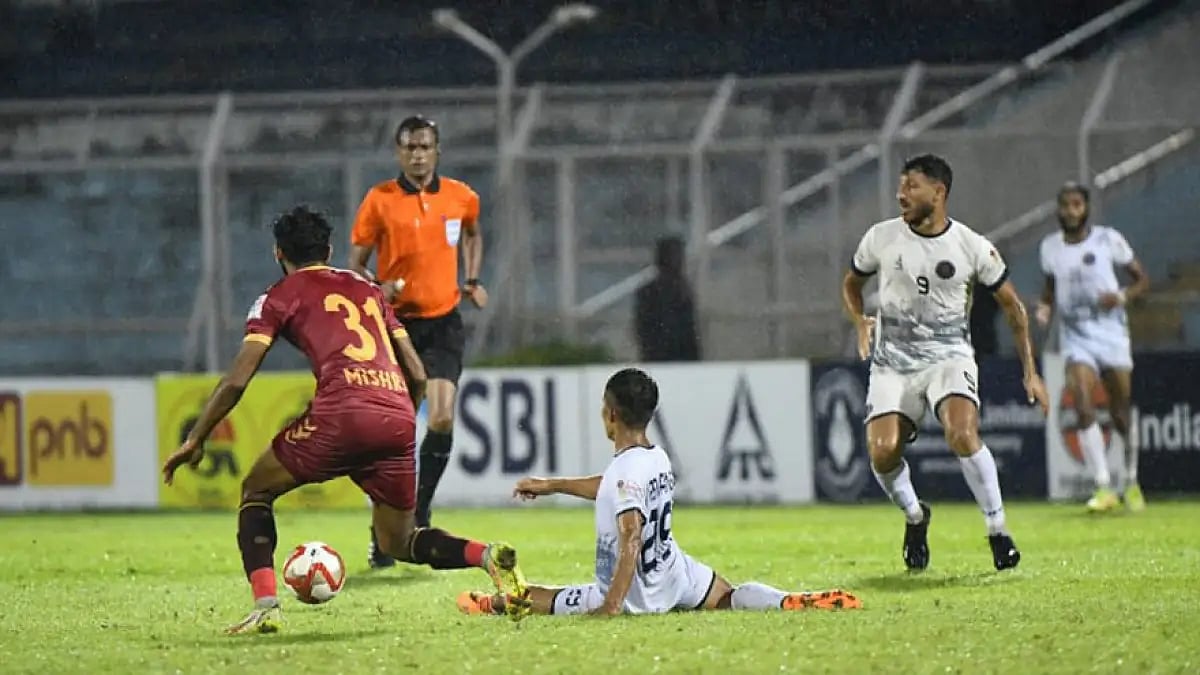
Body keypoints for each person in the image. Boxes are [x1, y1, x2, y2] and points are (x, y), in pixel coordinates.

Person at [161, 206, 524, 634]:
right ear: (330, 250)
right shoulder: (367, 289)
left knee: (256, 491)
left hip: (342, 413)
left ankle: (266, 607)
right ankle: (485, 554)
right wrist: (397, 419)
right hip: (396, 414)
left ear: (278, 253)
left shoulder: (277, 296)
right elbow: (417, 373)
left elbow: (237, 380)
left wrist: (196, 437)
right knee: (400, 541)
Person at [455, 368, 862, 620]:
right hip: (674, 572)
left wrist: (612, 605)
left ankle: (489, 604)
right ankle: (788, 601)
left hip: (638, 593)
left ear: (611, 414)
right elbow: (613, 489)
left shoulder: (626, 472)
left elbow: (631, 534)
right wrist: (552, 485)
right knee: (729, 597)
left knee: (540, 597)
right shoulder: (655, 457)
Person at [841, 154, 1049, 572]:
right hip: (892, 363)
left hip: (949, 358)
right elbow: (852, 284)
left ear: (938, 192)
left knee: (961, 433)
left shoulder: (971, 246)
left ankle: (998, 530)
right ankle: (916, 516)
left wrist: (1031, 371)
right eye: (901, 186)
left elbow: (1014, 308)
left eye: (911, 186)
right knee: (882, 452)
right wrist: (859, 321)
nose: (901, 194)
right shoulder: (881, 237)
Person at [349, 115, 488, 568]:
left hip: (444, 322)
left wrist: (471, 279)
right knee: (395, 434)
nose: (417, 155)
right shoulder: (379, 200)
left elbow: (473, 232)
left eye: (424, 146)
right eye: (409, 147)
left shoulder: (461, 196)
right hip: (397, 328)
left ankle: (420, 511)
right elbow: (355, 265)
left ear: (437, 150)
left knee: (442, 417)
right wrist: (379, 286)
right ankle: (384, 531)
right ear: (398, 152)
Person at [1036, 182, 1149, 512]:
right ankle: (1103, 486)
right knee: (1082, 403)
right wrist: (1045, 308)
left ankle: (1131, 481)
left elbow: (1142, 280)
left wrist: (1122, 297)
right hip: (1076, 336)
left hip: (1111, 333)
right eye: (1065, 205)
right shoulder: (1050, 248)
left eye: (1076, 205)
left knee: (1120, 412)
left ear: (1086, 208)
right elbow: (1050, 288)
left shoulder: (1107, 239)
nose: (1070, 211)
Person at [634, 236, 702, 362]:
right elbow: (645, 329)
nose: (679, 261)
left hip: (682, 358)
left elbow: (690, 331)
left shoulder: (683, 290)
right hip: (659, 359)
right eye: (675, 256)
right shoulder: (650, 292)